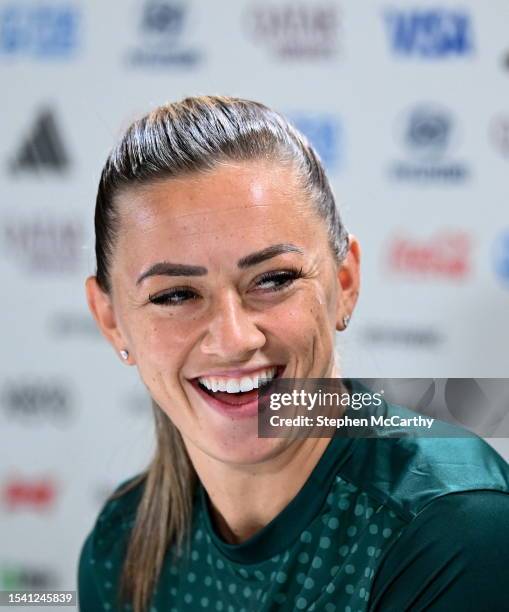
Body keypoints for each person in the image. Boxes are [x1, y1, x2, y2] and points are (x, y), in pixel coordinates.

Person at [78, 95, 509, 612]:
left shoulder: (453, 525)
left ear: (344, 282)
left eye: (274, 279)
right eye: (175, 295)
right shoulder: (119, 543)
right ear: (111, 319)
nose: (235, 339)